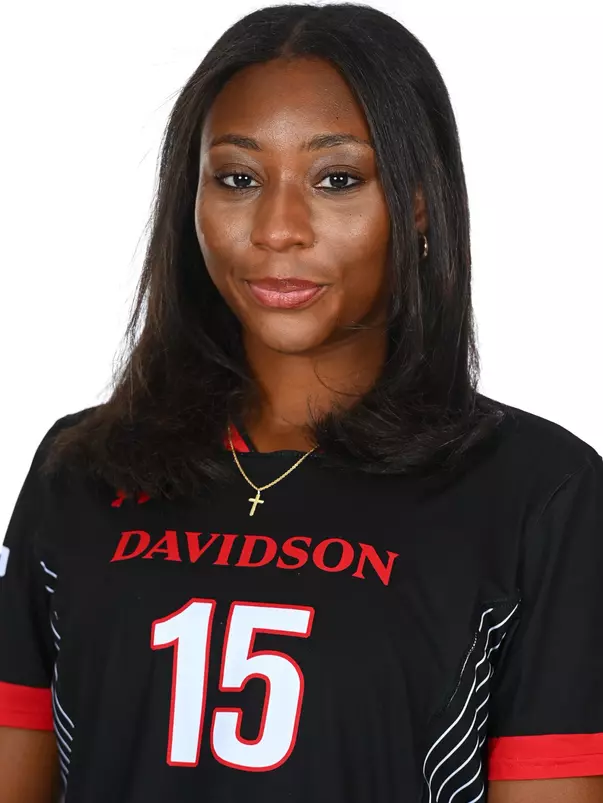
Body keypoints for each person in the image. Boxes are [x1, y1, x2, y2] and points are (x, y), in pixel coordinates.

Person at [1, 3, 602, 802]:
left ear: (418, 204)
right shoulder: (78, 468)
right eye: (238, 178)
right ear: (193, 199)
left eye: (338, 179)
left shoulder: (538, 492)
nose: (277, 228)